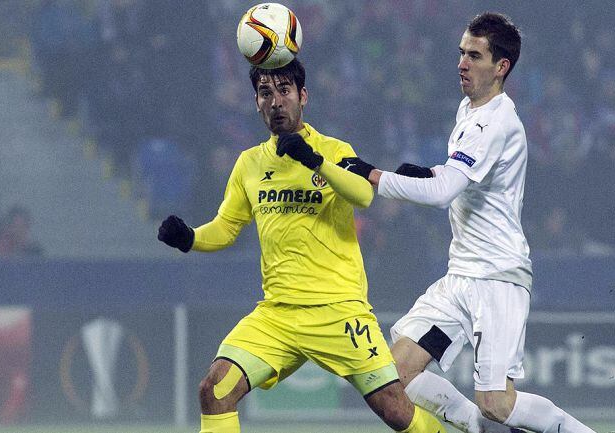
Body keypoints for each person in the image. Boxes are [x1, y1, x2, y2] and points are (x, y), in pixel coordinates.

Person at [157, 59, 445, 433]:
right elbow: (227, 228)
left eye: (284, 91)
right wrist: (191, 238)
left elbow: (363, 195)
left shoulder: (335, 149)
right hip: (277, 315)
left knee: (395, 410)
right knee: (215, 389)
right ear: (256, 103)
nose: (276, 101)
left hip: (339, 311)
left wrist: (313, 160)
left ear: (302, 96)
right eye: (265, 93)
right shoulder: (249, 164)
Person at [349, 12, 598, 433]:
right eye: (462, 53)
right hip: (461, 274)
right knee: (395, 372)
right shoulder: (470, 109)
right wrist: (428, 173)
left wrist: (375, 176)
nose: (462, 63)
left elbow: (445, 192)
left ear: (501, 67)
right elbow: (458, 181)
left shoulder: (494, 121)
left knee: (497, 403)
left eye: (475, 55)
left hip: (496, 278)